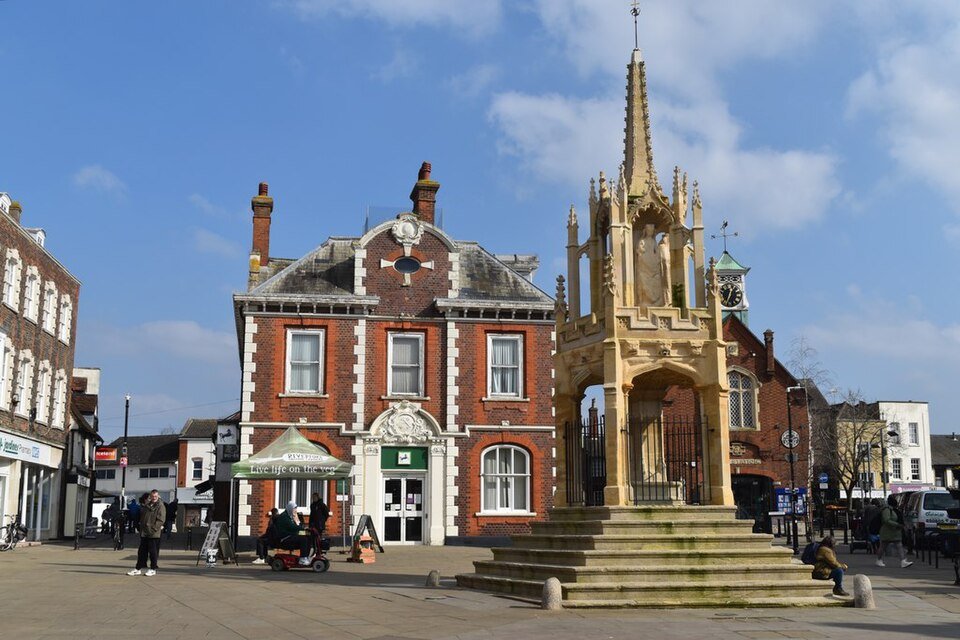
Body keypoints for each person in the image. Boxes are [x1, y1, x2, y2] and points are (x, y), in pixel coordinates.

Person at [127, 490, 166, 577]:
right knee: (141, 552)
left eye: (155, 496)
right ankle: (138, 569)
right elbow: (142, 517)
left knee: (153, 552)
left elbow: (161, 520)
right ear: (150, 497)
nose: (154, 498)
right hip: (144, 532)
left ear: (158, 496)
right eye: (152, 496)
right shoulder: (147, 506)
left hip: (153, 533)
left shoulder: (160, 506)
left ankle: (153, 569)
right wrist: (141, 528)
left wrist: (153, 529)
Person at [877, 494, 914, 568]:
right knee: (883, 546)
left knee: (899, 545)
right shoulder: (887, 510)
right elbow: (886, 520)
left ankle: (903, 561)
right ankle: (879, 559)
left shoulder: (893, 510)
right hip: (887, 532)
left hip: (895, 531)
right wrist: (897, 524)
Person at [275, 501, 312, 565]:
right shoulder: (284, 516)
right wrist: (303, 528)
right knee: (303, 538)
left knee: (308, 536)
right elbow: (292, 527)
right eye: (294, 509)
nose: (295, 510)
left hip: (291, 534)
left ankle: (306, 556)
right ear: (290, 508)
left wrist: (305, 531)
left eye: (296, 509)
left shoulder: (291, 516)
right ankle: (302, 558)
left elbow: (297, 527)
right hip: (284, 538)